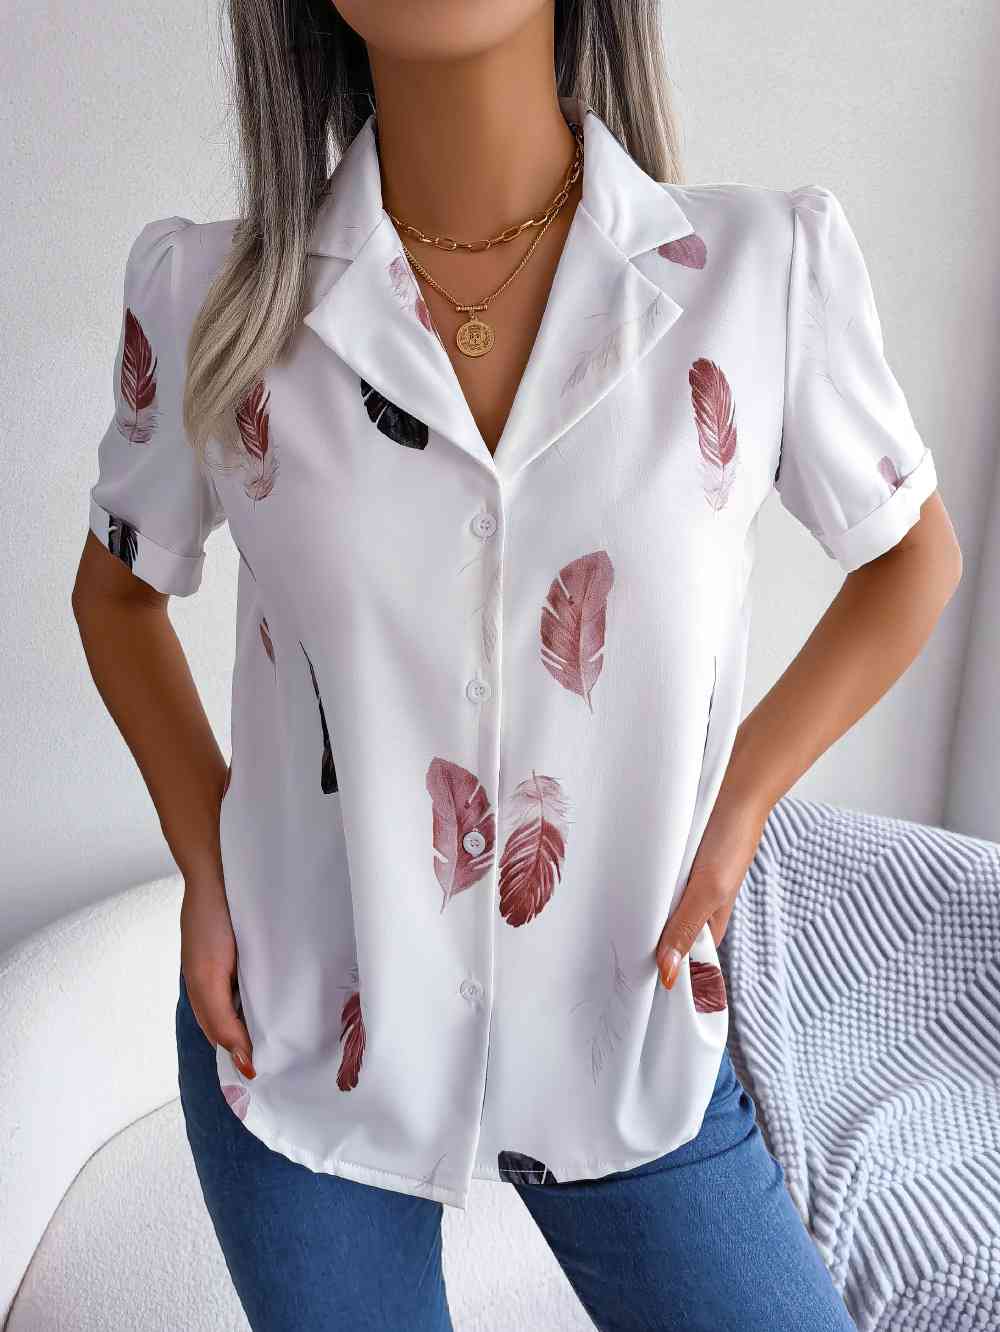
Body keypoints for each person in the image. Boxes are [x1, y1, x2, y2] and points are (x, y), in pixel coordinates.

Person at [71, 2, 962, 1329]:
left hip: (628, 1027)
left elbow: (911, 560)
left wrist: (736, 819)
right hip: (304, 1033)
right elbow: (116, 594)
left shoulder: (758, 275)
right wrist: (209, 866)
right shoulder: (213, 296)